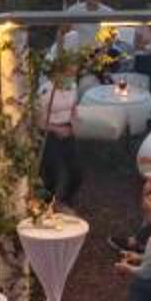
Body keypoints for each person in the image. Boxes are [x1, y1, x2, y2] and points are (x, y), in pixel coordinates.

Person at [38, 57, 85, 205]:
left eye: (74, 74)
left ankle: (65, 201)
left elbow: (73, 107)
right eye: (69, 74)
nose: (72, 77)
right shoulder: (46, 91)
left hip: (68, 130)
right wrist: (57, 129)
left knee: (76, 172)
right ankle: (45, 204)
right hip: (49, 131)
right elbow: (37, 121)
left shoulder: (73, 86)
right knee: (51, 174)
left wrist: (75, 121)